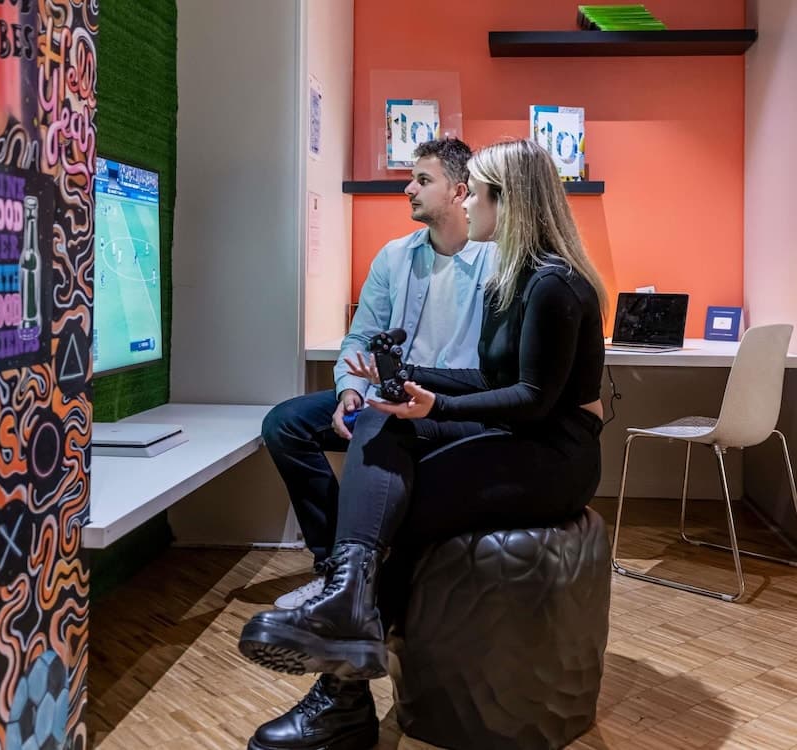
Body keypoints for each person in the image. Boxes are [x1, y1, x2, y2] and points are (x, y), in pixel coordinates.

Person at [239, 139, 607, 750]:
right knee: (378, 422)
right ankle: (346, 593)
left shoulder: (552, 284)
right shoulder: (510, 275)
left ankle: (342, 683)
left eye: (478, 193)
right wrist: (404, 382)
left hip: (551, 454)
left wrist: (435, 405)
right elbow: (488, 379)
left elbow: (533, 400)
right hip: (516, 434)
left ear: (502, 200)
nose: (470, 203)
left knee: (398, 508)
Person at [262, 137, 496, 615]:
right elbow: (361, 337)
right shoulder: (394, 256)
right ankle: (336, 565)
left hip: (452, 406)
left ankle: (368, 570)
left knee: (382, 424)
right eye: (412, 178)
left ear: (459, 191)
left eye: (423, 180)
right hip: (386, 395)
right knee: (285, 425)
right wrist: (349, 391)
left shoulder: (496, 261)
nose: (409, 189)